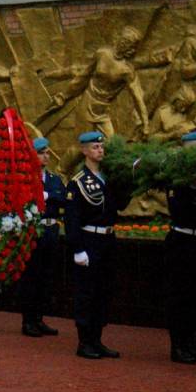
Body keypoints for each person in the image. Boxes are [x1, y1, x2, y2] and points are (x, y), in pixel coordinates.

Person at [65, 131, 121, 359]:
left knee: (103, 291)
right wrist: (78, 249)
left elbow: (120, 206)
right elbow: (72, 220)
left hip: (107, 240)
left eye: (101, 147)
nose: (100, 150)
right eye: (95, 147)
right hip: (89, 241)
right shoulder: (78, 183)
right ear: (84, 151)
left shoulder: (108, 178)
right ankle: (84, 341)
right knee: (86, 292)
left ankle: (97, 339)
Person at [164, 130, 196, 364]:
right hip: (181, 241)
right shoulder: (177, 175)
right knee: (180, 295)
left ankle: (191, 343)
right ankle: (178, 345)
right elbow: (178, 209)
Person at [19, 138, 66, 337]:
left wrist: (47, 195)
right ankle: (28, 320)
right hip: (33, 231)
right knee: (32, 277)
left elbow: (62, 198)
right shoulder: (26, 179)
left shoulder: (54, 178)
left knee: (47, 277)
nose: (45, 156)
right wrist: (49, 196)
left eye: (47, 153)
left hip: (51, 230)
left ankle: (39, 318)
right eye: (41, 153)